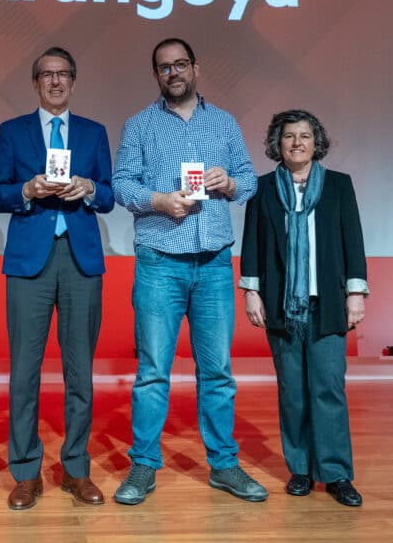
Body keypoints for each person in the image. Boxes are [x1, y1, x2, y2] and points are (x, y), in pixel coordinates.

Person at [111, 38, 267, 504]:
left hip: (215, 262)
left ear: (196, 68)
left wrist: (232, 181)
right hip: (159, 260)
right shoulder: (139, 125)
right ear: (156, 75)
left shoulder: (224, 123)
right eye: (164, 67)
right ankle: (143, 466)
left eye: (181, 64)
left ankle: (223, 465)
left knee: (217, 371)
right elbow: (121, 183)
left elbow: (249, 180)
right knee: (153, 371)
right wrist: (158, 200)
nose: (173, 72)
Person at [0, 47, 114, 510]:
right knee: (24, 371)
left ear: (74, 82)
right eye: (47, 74)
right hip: (29, 261)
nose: (56, 81)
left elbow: (111, 194)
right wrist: (26, 189)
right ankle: (25, 471)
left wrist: (90, 188)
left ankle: (76, 469)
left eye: (64, 74)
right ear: (36, 82)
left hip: (80, 258)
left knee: (80, 370)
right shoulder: (12, 131)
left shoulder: (94, 132)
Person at [239, 109, 368, 507]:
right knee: (292, 392)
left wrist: (355, 293)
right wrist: (251, 291)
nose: (297, 143)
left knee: (328, 389)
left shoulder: (339, 186)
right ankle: (299, 469)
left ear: (317, 142)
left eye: (305, 136)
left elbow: (353, 241)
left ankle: (335, 473)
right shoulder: (262, 189)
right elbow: (253, 245)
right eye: (289, 136)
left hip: (327, 304)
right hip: (281, 305)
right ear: (278, 145)